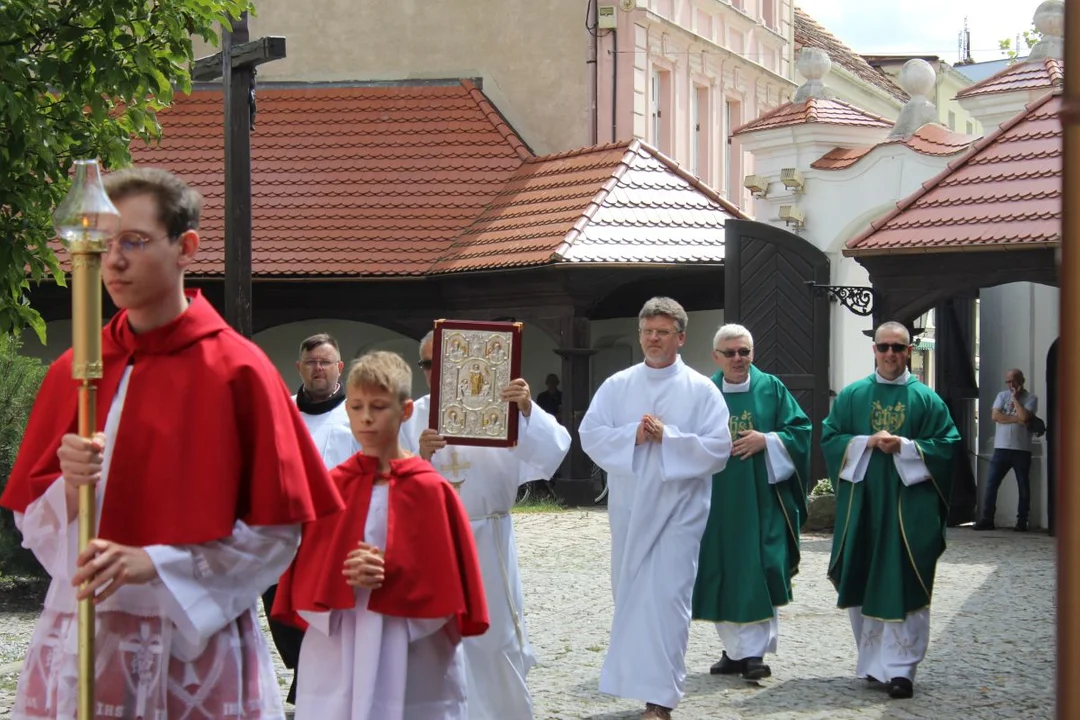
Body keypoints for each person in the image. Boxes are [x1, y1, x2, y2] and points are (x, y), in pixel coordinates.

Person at [0, 167, 342, 719]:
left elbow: (278, 530)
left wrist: (157, 564)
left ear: (186, 247)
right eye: (105, 244)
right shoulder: (75, 371)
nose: (113, 260)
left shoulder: (237, 371)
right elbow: (34, 526)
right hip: (86, 638)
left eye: (133, 241)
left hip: (193, 651)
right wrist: (66, 489)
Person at [273, 351, 489, 719]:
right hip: (340, 637)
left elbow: (447, 578)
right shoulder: (333, 487)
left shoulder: (431, 490)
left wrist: (395, 575)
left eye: (378, 406)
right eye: (356, 407)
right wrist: (342, 573)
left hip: (414, 640)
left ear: (405, 411)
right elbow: (307, 568)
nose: (366, 418)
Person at [400, 330, 571, 720]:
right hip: (433, 542)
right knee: (436, 637)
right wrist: (419, 456)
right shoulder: (412, 414)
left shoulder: (500, 408)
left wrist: (527, 409)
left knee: (496, 639)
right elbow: (389, 481)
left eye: (438, 363)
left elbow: (553, 451)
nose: (431, 371)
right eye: (426, 364)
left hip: (488, 536)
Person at [579, 297, 732, 720]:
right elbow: (590, 434)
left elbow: (718, 450)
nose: (653, 339)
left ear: (680, 338)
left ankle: (661, 700)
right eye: (647, 331)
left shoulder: (702, 390)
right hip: (630, 510)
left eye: (662, 332)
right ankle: (635, 682)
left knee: (668, 602)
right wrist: (634, 435)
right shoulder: (618, 385)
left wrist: (670, 438)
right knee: (630, 597)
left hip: (680, 513)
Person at [822, 321, 960, 700]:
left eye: (898, 347)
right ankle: (872, 663)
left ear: (909, 350)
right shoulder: (853, 396)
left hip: (907, 511)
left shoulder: (927, 400)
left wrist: (907, 447)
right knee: (865, 576)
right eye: (883, 347)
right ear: (874, 350)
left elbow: (948, 446)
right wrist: (865, 442)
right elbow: (830, 438)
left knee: (904, 580)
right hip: (864, 506)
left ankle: (901, 669)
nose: (890, 354)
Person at [692, 324, 811, 681]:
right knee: (722, 569)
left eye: (744, 351)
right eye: (730, 353)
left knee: (759, 568)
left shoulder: (771, 388)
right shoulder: (704, 392)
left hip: (762, 499)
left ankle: (755, 654)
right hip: (716, 499)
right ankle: (732, 651)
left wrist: (769, 440)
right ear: (717, 357)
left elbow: (800, 430)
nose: (738, 359)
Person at [264, 332, 362, 704]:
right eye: (311, 362)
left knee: (327, 618)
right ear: (299, 368)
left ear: (339, 368)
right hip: (286, 534)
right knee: (281, 612)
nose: (318, 368)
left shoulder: (356, 413)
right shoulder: (280, 411)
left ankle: (316, 687)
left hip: (336, 536)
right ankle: (307, 679)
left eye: (325, 362)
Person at [973, 368, 1039, 532]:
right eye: (1008, 382)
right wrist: (1017, 418)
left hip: (1021, 449)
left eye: (1014, 381)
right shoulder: (1001, 396)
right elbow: (996, 416)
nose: (1011, 385)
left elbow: (1025, 417)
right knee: (991, 484)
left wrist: (1015, 399)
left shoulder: (1031, 398)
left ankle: (1022, 521)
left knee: (1023, 486)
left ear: (1022, 380)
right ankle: (987, 520)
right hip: (1001, 448)